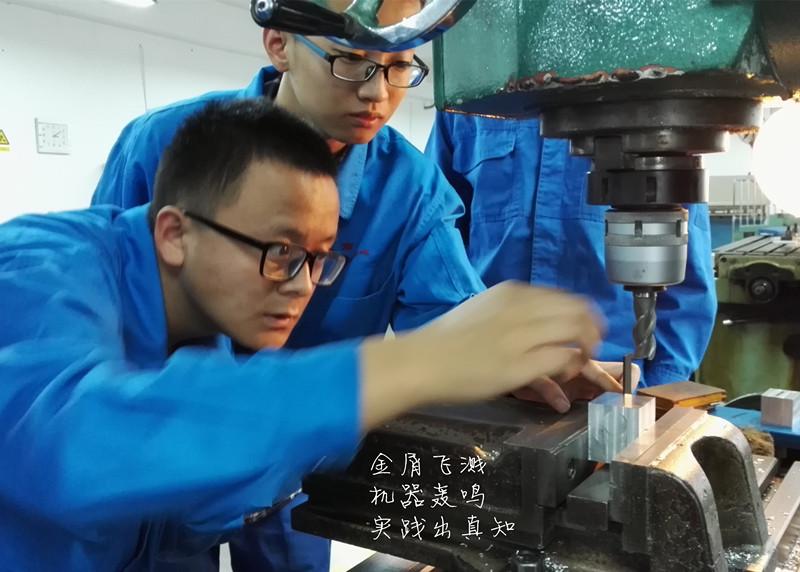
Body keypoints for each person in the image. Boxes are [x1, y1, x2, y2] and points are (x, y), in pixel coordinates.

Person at [0, 99, 619, 571]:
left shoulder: (214, 339)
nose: (301, 286)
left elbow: (199, 499)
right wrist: (410, 366)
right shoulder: (36, 267)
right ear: (174, 233)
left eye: (320, 259)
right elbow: (75, 447)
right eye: (280, 252)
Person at [426, 112, 717, 388]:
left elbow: (690, 286)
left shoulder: (655, 100)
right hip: (492, 378)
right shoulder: (467, 108)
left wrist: (657, 392)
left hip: (615, 381)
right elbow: (434, 250)